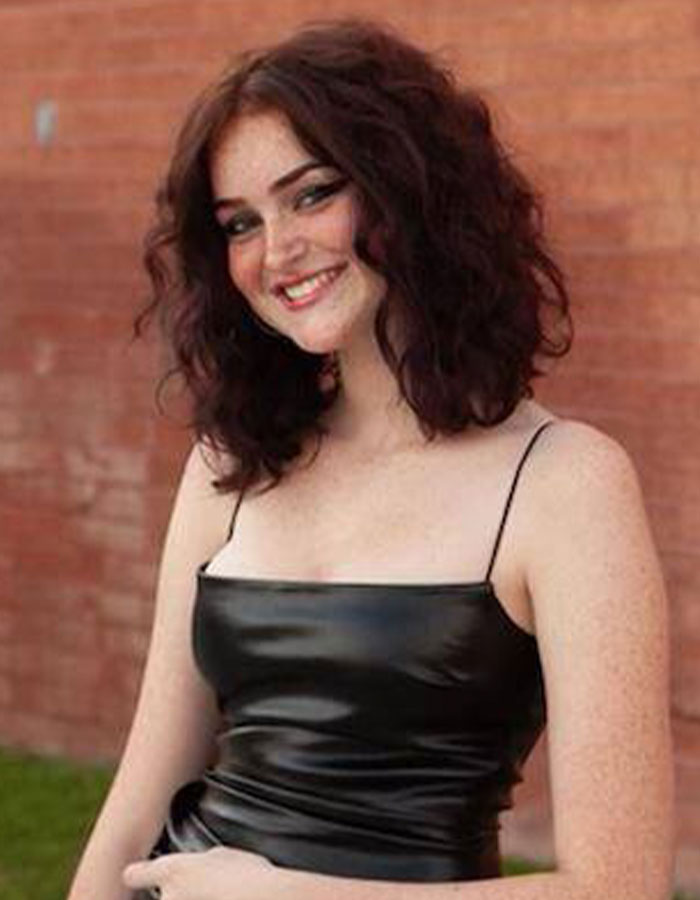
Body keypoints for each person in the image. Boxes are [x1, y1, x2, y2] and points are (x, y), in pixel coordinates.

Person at [66, 16, 674, 900]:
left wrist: (285, 897)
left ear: (410, 189)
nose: (277, 251)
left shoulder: (564, 482)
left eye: (312, 194)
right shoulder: (232, 463)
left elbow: (621, 886)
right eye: (241, 223)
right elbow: (139, 800)